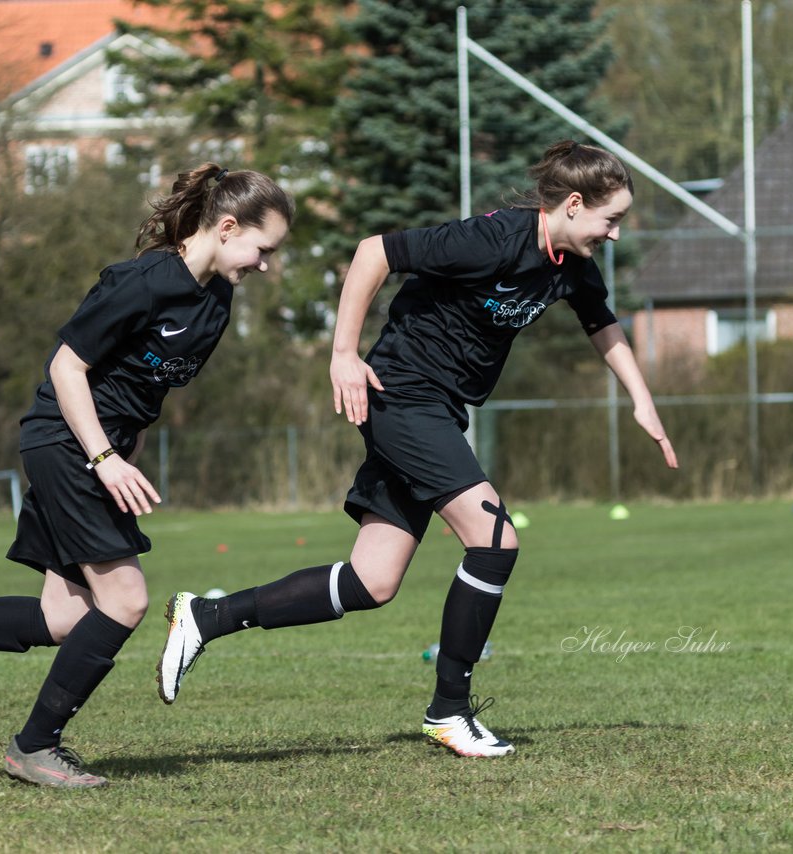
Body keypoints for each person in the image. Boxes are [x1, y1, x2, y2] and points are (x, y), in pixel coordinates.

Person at [156, 140, 678, 757]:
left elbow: (601, 323)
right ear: (571, 203)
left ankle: (207, 618)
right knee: (494, 539)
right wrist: (343, 353)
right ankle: (449, 711)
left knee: (371, 582)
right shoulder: (494, 240)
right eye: (610, 219)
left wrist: (640, 398)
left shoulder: (571, 265)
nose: (614, 234)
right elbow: (374, 251)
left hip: (435, 410)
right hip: (401, 394)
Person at [0, 163, 294, 788]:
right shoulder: (140, 282)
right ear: (225, 227)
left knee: (65, 618)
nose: (266, 264)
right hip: (66, 441)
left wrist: (124, 454)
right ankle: (34, 746)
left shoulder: (215, 301)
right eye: (263, 248)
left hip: (102, 451)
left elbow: (144, 391)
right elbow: (67, 368)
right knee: (127, 600)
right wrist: (104, 460)